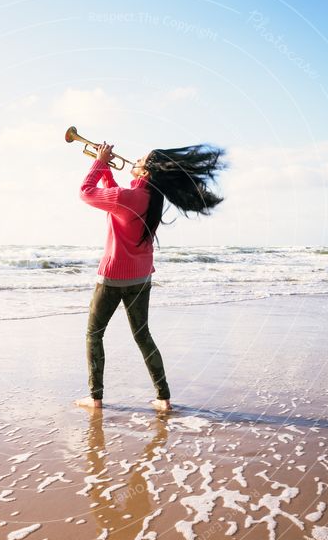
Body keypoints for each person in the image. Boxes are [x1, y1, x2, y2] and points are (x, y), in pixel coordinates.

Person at [74, 139, 227, 413]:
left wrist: (98, 163)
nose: (134, 160)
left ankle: (95, 398)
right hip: (141, 277)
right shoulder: (150, 199)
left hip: (112, 277)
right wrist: (107, 170)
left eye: (141, 160)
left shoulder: (127, 198)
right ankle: (163, 398)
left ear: (146, 172)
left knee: (93, 335)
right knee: (143, 336)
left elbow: (85, 193)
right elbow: (115, 200)